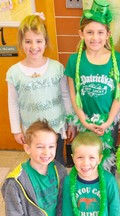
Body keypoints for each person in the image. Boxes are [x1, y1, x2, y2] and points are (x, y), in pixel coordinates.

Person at [65, 0, 120, 172]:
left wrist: (108, 122)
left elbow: (119, 95)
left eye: (100, 32)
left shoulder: (117, 60)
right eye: (90, 32)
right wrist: (83, 120)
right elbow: (73, 94)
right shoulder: (74, 61)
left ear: (108, 34)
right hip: (84, 119)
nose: (95, 37)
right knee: (86, 159)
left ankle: (108, 192)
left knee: (107, 157)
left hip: (109, 120)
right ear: (81, 34)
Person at [6, 13, 76, 165]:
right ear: (21, 43)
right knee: (38, 163)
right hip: (32, 131)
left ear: (45, 43)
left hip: (55, 127)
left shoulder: (57, 68)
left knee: (57, 162)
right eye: (28, 41)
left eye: (38, 41)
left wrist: (71, 122)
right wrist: (16, 130)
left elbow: (65, 96)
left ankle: (58, 188)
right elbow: (13, 103)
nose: (34, 46)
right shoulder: (14, 73)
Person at [1, 119, 67, 216]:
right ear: (28, 149)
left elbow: (63, 202)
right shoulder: (15, 182)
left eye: (51, 147)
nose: (46, 152)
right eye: (40, 147)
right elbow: (13, 212)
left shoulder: (60, 170)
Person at [62, 132, 120, 216]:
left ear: (100, 159)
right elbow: (67, 210)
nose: (85, 163)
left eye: (92, 157)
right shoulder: (69, 181)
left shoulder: (109, 180)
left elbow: (115, 209)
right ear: (73, 158)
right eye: (80, 157)